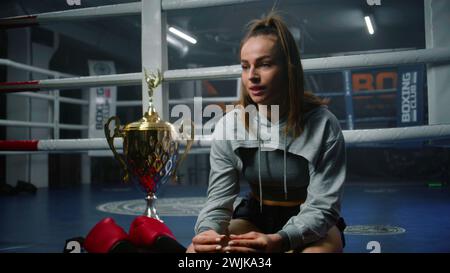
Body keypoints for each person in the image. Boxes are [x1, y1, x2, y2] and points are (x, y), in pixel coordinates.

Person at [186, 12, 346, 253]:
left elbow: (322, 208)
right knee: (196, 254)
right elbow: (218, 200)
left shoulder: (324, 125)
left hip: (310, 218)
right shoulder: (231, 125)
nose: (252, 76)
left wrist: (282, 240)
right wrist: (207, 232)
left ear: (288, 69)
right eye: (245, 66)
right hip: (256, 215)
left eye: (265, 64)